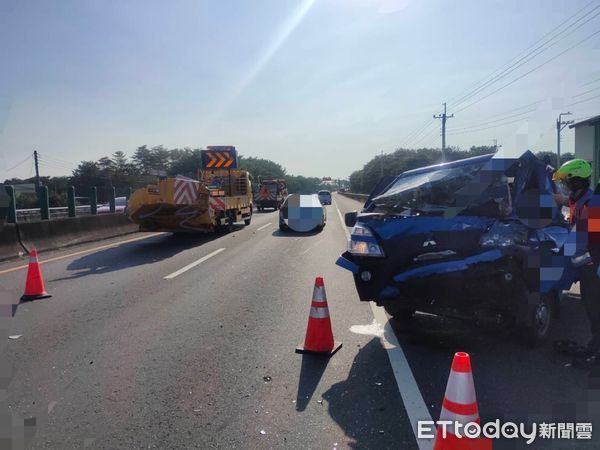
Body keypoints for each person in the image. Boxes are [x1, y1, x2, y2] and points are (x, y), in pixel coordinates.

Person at [552, 159, 600, 368]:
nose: (564, 186)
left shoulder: (593, 206)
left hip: (593, 267)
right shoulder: (580, 199)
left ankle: (596, 353)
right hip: (587, 266)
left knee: (596, 309)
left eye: (566, 182)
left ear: (577, 183)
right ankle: (594, 346)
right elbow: (567, 201)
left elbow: (581, 240)